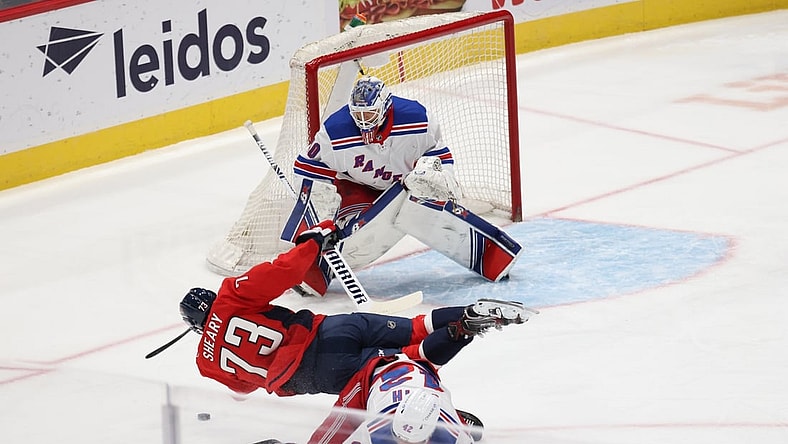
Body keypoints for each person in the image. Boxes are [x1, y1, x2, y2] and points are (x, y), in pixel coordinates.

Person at [179, 220, 533, 398]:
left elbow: (245, 389)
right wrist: (314, 241)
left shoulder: (205, 364)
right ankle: (469, 311)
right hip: (333, 328)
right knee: (413, 328)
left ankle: (464, 329)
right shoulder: (229, 297)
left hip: (317, 373)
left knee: (411, 360)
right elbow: (283, 273)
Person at [282, 75, 523, 298]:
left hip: (407, 187)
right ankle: (312, 267)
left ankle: (488, 250)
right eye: (359, 115)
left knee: (424, 186)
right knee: (352, 235)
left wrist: (438, 180)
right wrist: (320, 220)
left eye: (369, 114)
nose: (363, 122)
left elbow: (439, 157)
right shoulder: (335, 131)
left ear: (386, 106)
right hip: (355, 187)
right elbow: (307, 169)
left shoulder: (417, 118)